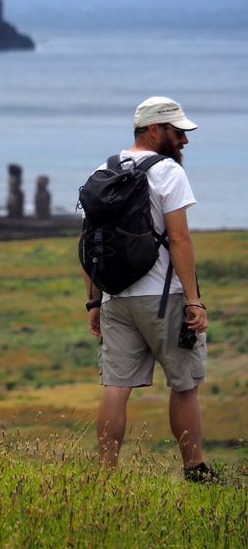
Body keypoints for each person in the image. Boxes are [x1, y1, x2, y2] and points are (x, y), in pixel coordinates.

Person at [83, 96, 215, 482]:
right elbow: (180, 238)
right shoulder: (168, 173)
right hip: (164, 298)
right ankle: (195, 470)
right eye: (178, 133)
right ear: (155, 129)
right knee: (185, 385)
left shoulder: (102, 170)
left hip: (115, 299)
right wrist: (193, 300)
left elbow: (90, 242)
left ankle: (106, 476)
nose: (184, 141)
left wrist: (94, 300)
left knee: (115, 387)